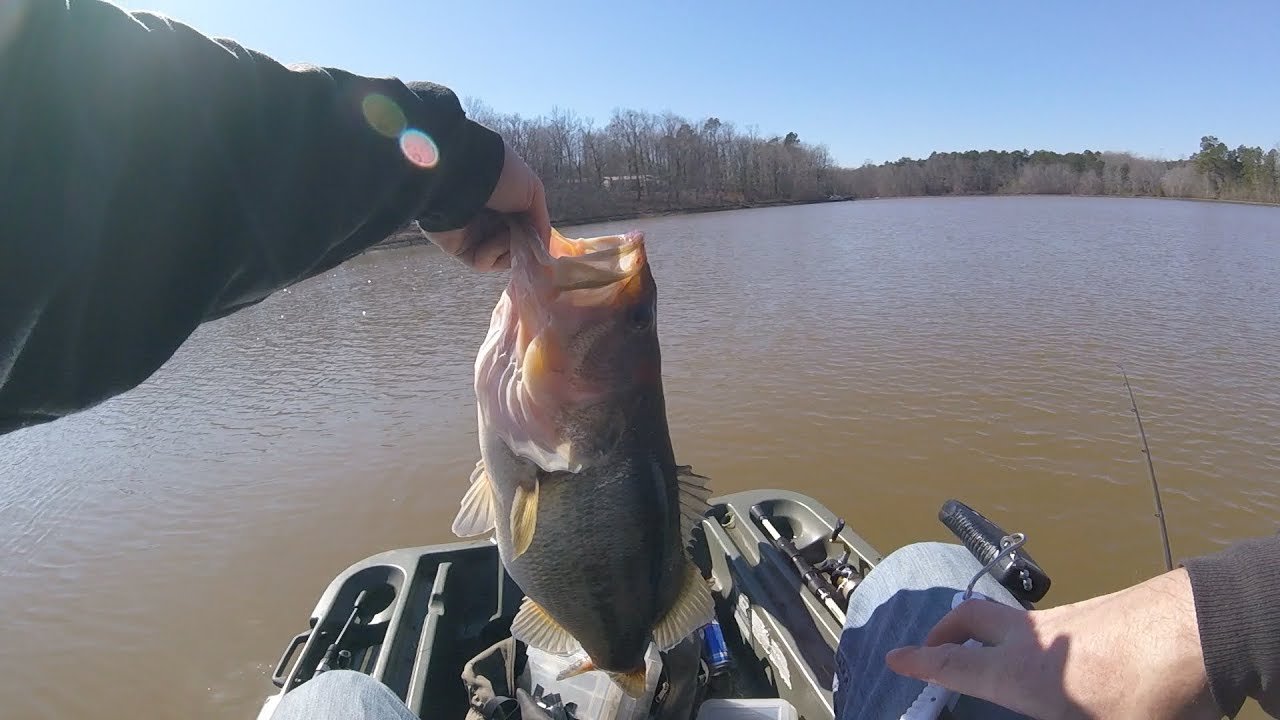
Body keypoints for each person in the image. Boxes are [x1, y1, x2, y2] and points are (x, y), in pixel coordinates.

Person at [1, 2, 1276, 718]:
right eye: (629, 334)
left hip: (590, 565)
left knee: (334, 705)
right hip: (594, 555)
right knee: (935, 575)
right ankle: (632, 675)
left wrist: (426, 167)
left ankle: (613, 676)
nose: (619, 305)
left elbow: (81, 177)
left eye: (627, 330)